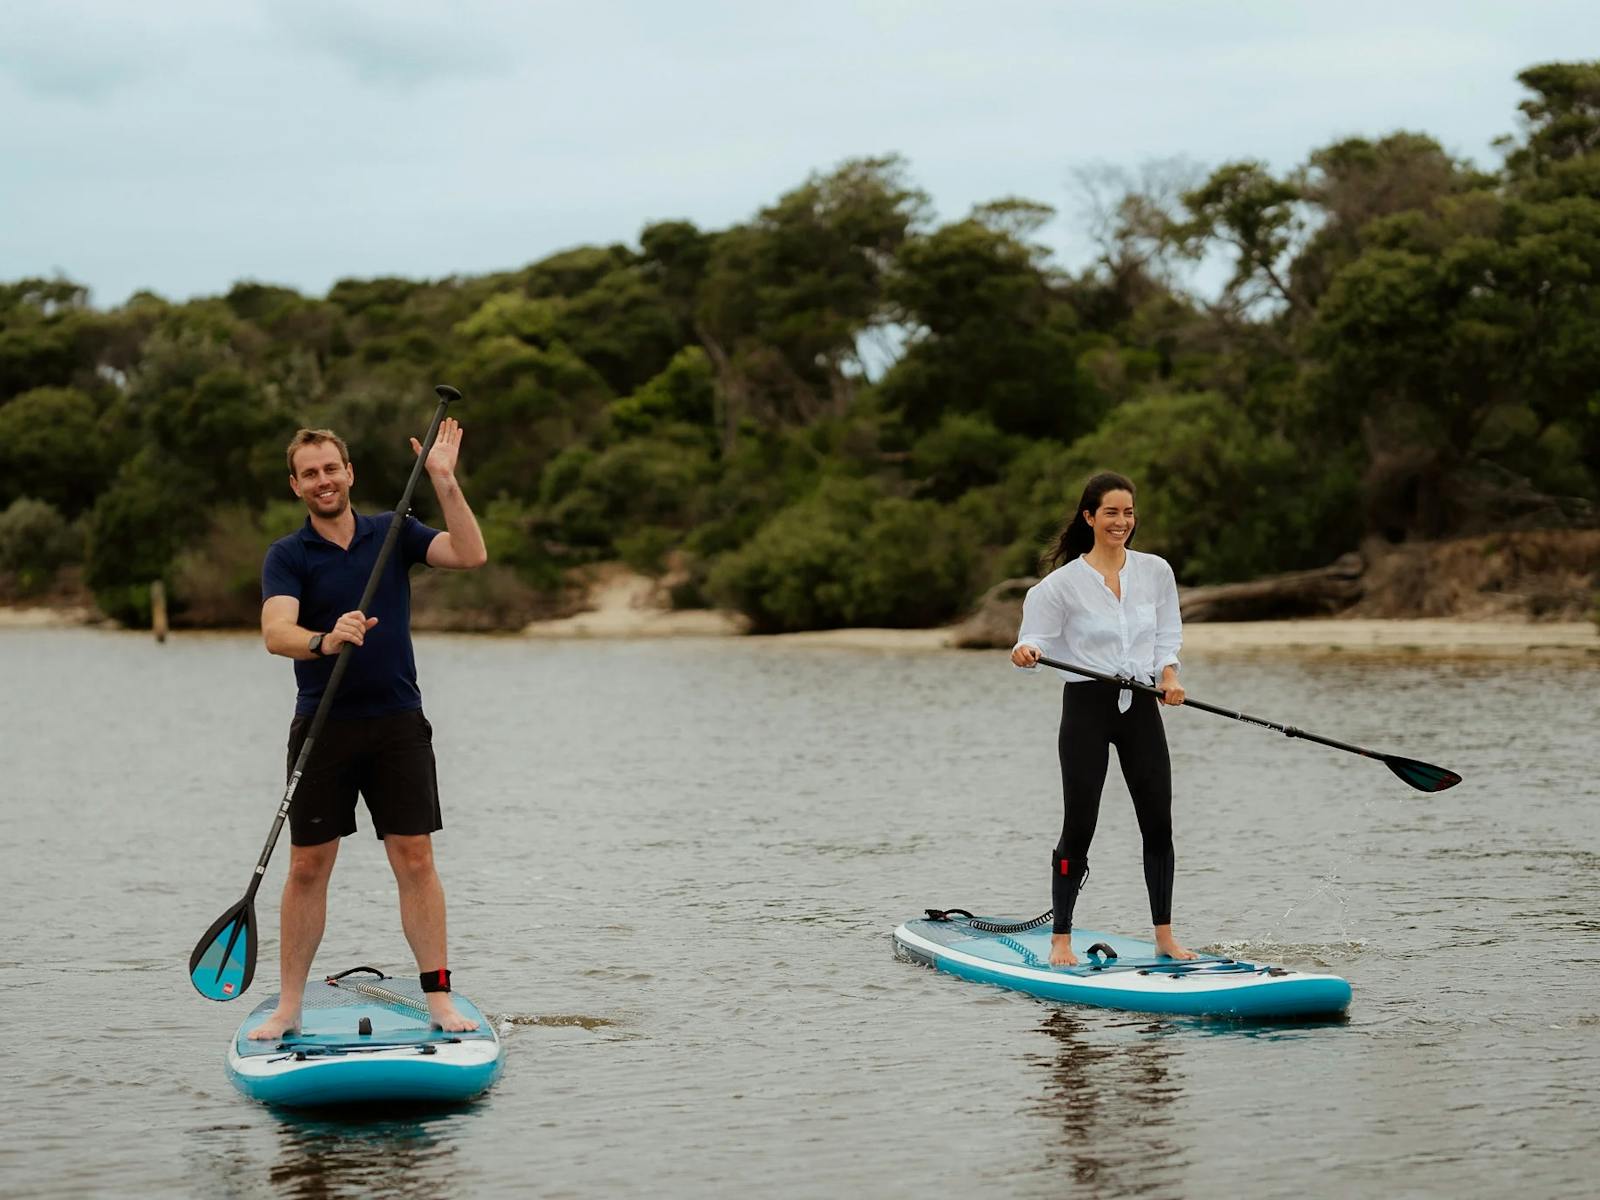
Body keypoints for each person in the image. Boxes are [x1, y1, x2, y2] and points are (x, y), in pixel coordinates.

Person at [249, 418, 488, 1039]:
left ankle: (439, 999)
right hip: (323, 727)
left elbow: (469, 554)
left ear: (349, 473)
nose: (323, 481)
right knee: (307, 866)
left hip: (397, 725)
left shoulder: (394, 532)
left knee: (414, 858)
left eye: (332, 468)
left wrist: (444, 481)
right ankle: (289, 1006)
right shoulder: (289, 554)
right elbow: (277, 633)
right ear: (296, 485)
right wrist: (326, 639)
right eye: (310, 473)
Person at [1009, 471, 1198, 968]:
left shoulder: (1156, 572)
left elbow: (1166, 636)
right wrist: (1026, 651)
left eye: (1129, 512)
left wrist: (1170, 675)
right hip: (1087, 708)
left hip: (1140, 704)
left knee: (1158, 823)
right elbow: (1034, 640)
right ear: (1090, 517)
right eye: (1111, 512)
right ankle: (1061, 939)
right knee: (1080, 826)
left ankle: (1164, 937)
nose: (1122, 521)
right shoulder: (1059, 587)